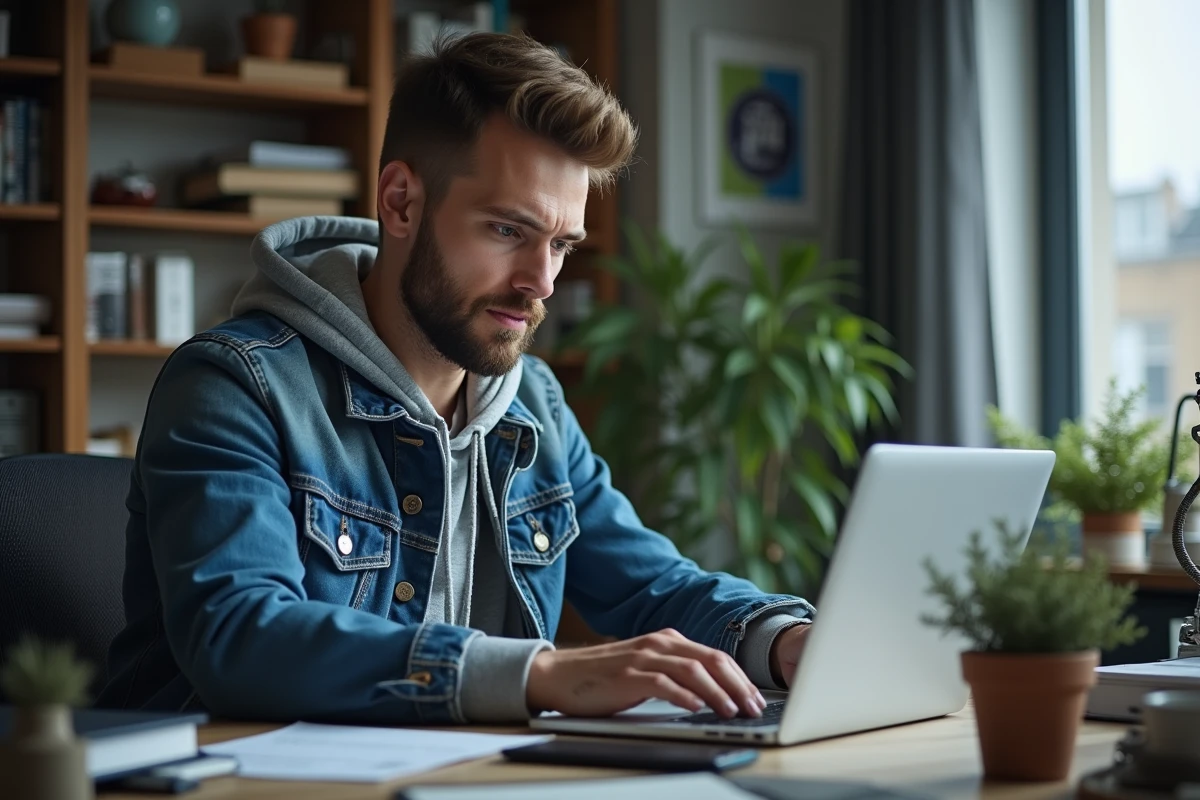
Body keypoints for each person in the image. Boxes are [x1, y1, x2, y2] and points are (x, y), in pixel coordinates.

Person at [97, 32, 815, 725]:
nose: (541, 283)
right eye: (508, 231)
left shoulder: (533, 403)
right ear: (401, 202)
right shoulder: (234, 387)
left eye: (561, 244)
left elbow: (651, 586)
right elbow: (242, 637)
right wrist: (539, 674)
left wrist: (783, 643)